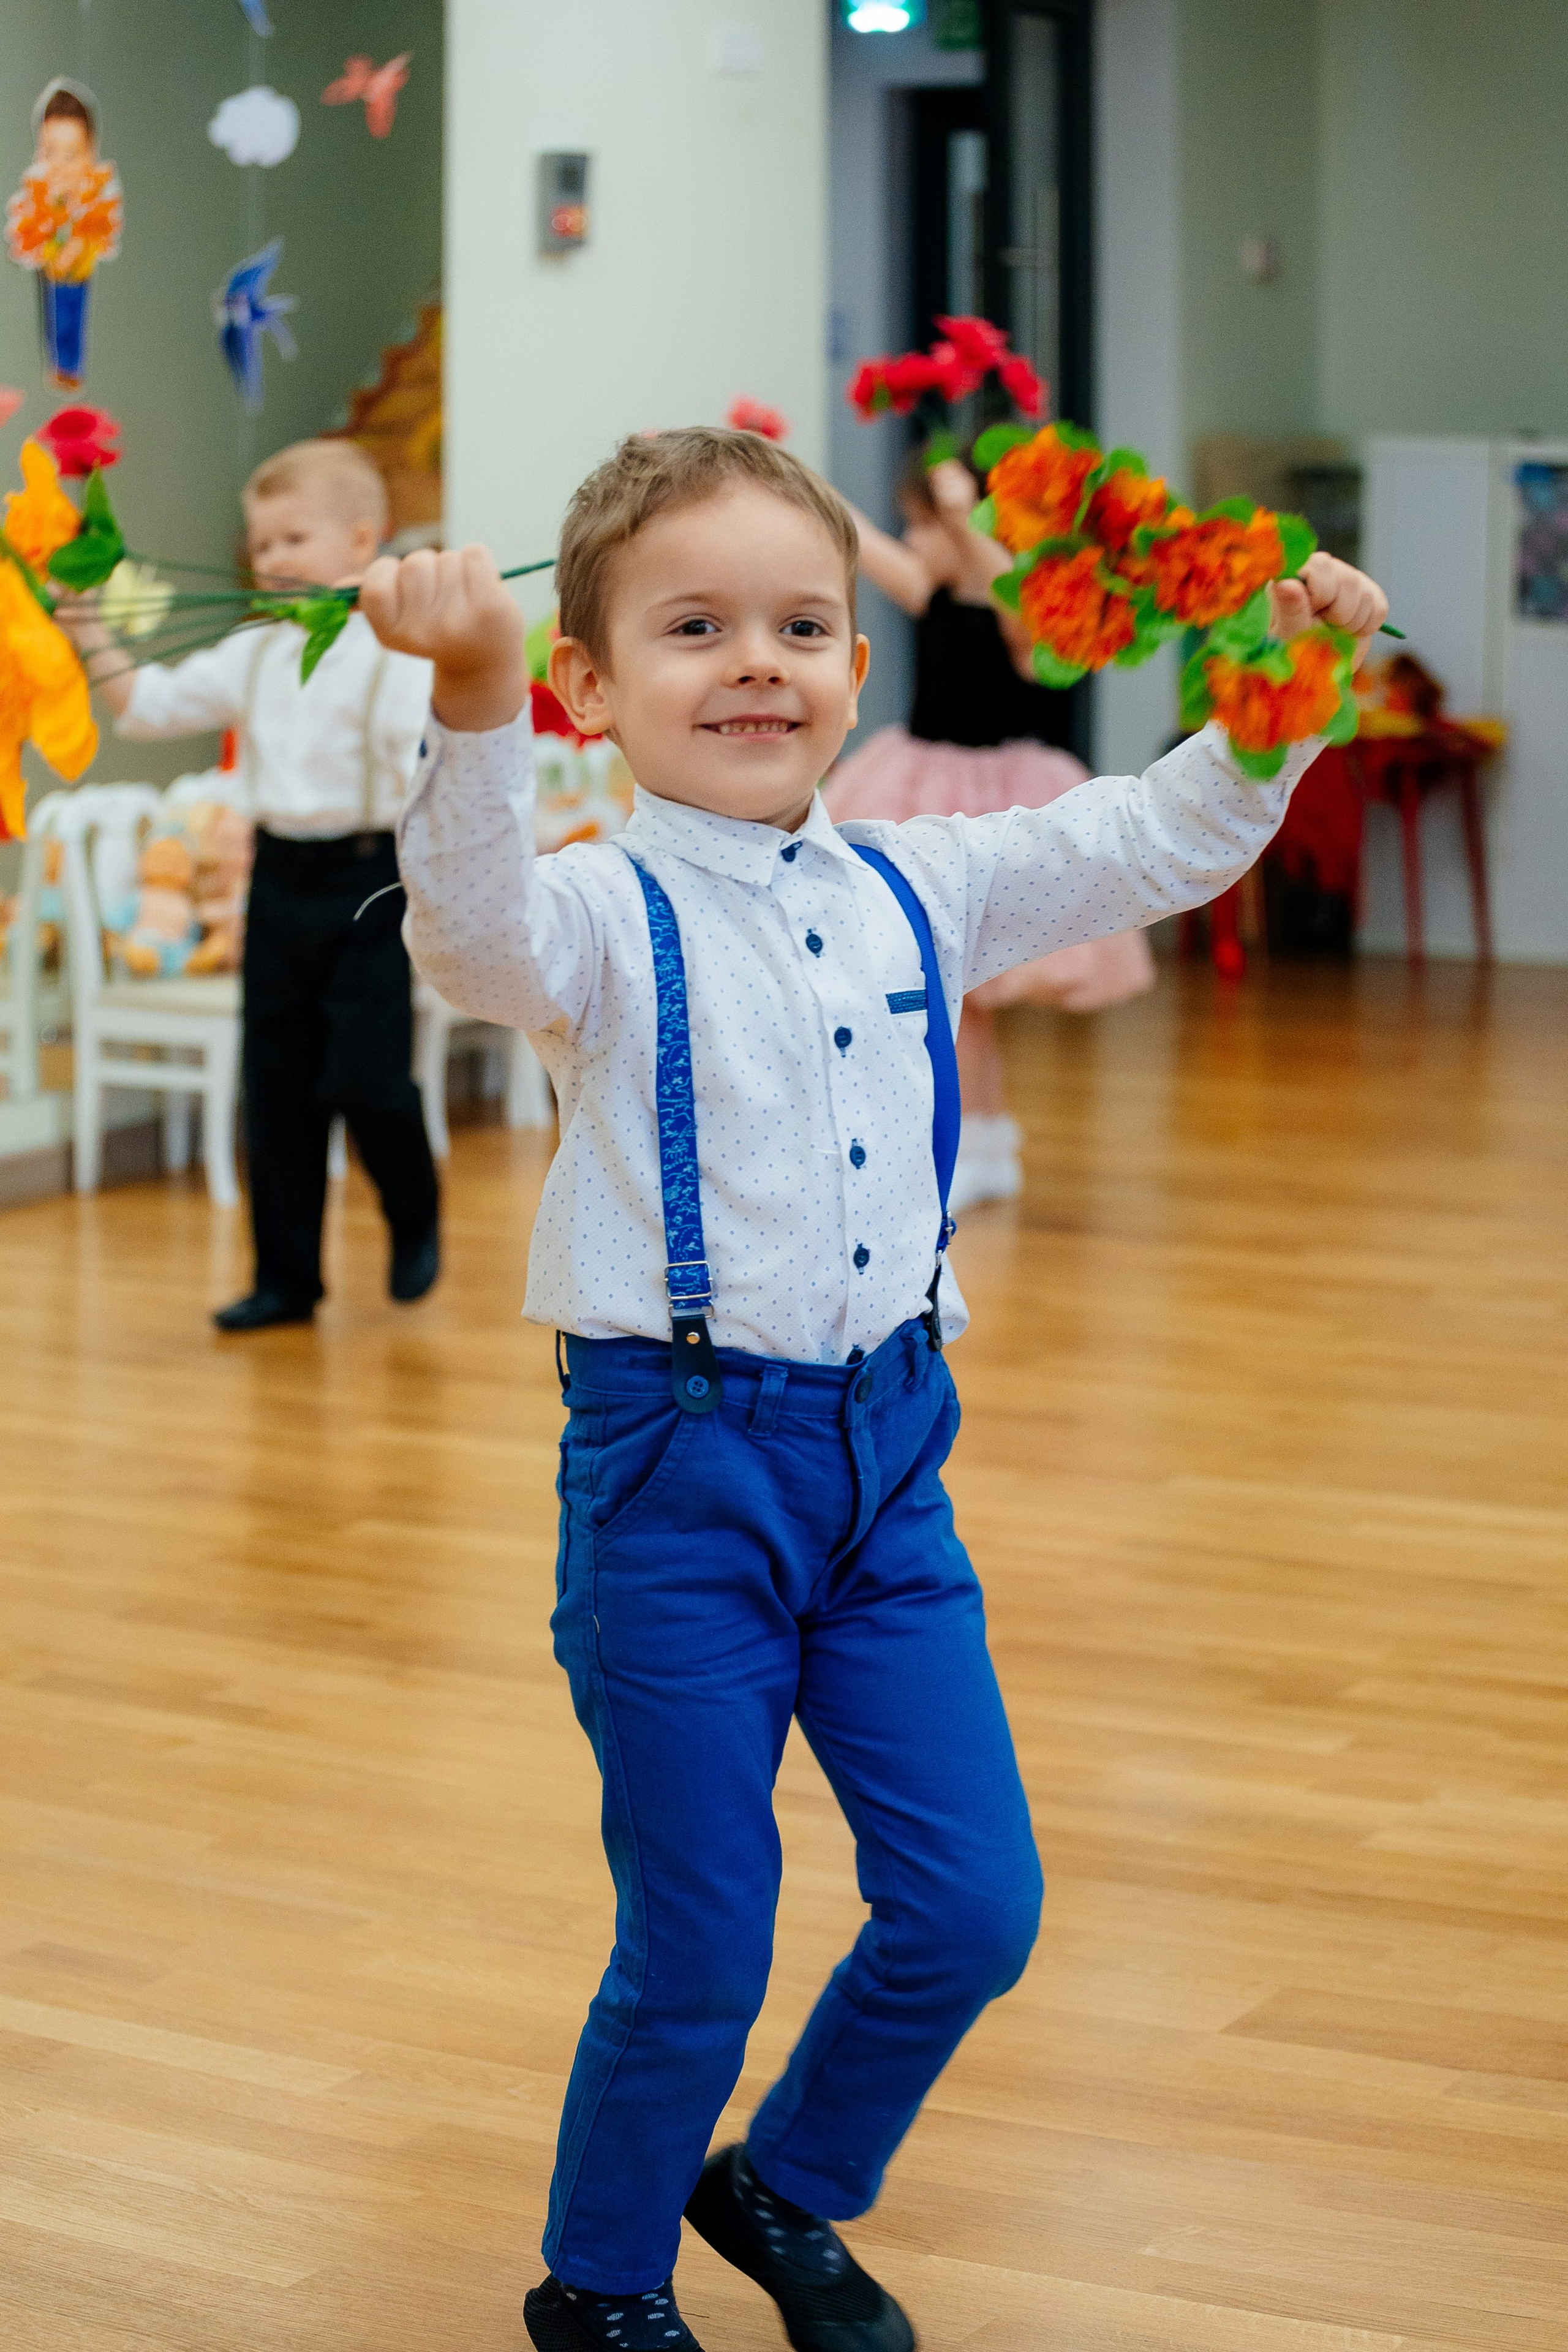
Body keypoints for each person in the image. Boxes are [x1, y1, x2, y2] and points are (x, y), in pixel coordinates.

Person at [360, 426, 1387, 2352]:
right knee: (702, 1938)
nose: (757, 660)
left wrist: (1278, 682)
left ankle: (781, 2177)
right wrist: (471, 706)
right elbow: (468, 930)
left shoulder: (930, 880)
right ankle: (598, 2281)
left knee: (969, 1907)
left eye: (802, 623)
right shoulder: (593, 914)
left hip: (888, 1472)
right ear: (587, 682)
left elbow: (1156, 834)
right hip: (676, 1485)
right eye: (692, 626)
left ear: (859, 662)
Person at [66, 439, 440, 1331]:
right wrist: (89, 632)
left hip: (367, 883)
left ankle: (413, 1203)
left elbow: (426, 770)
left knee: (367, 1078)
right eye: (262, 545)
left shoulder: (400, 655)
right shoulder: (253, 652)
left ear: (363, 541)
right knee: (277, 1087)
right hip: (277, 878)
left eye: (292, 540)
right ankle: (286, 1279)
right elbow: (151, 706)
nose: (271, 560)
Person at [831, 448, 1155, 1210]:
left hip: (992, 800)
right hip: (919, 788)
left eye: (923, 525)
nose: (912, 540)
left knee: (961, 982)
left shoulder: (1024, 609)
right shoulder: (929, 591)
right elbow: (852, 533)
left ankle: (975, 1138)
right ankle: (980, 1134)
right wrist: (764, 460)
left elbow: (1005, 590)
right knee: (948, 988)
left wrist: (958, 517)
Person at [5, 78, 123, 390]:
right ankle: (60, 365)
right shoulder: (41, 192)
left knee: (75, 313)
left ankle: (71, 366)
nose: (60, 165)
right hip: (53, 270)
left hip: (79, 269)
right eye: (50, 152)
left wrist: (79, 242)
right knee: (54, 316)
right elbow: (30, 229)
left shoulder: (95, 193)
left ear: (91, 153)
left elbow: (100, 227)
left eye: (72, 155)